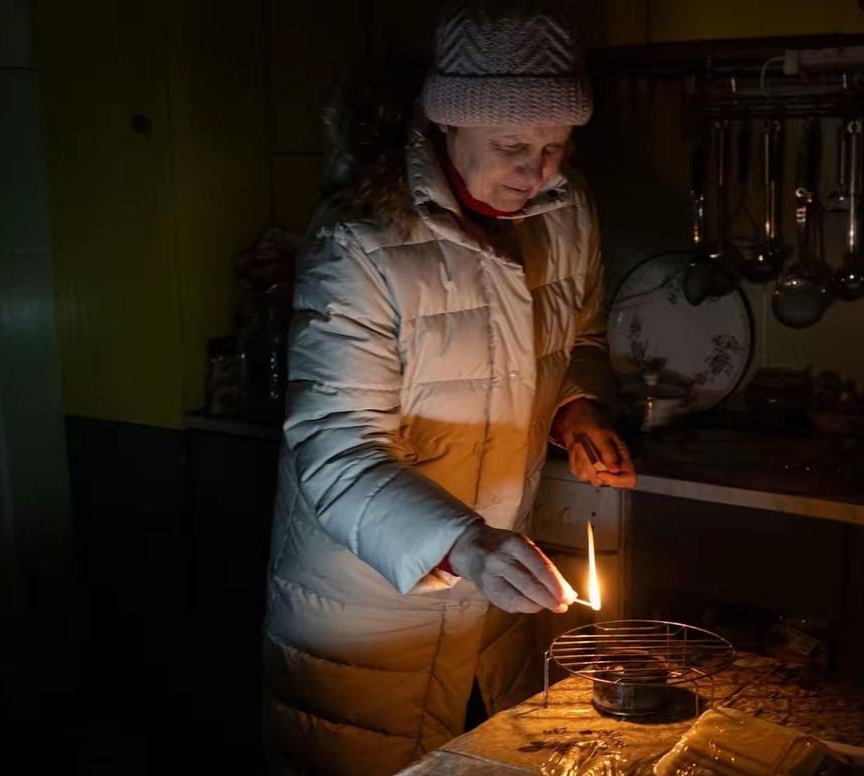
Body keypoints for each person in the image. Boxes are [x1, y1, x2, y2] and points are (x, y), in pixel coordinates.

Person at [261, 2, 635, 774]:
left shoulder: (565, 213)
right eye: (512, 147)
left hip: (491, 605)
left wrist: (578, 407)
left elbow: (581, 338)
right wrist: (461, 544)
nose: (538, 173)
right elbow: (336, 448)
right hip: (369, 615)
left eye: (555, 146)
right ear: (447, 123)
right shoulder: (362, 242)